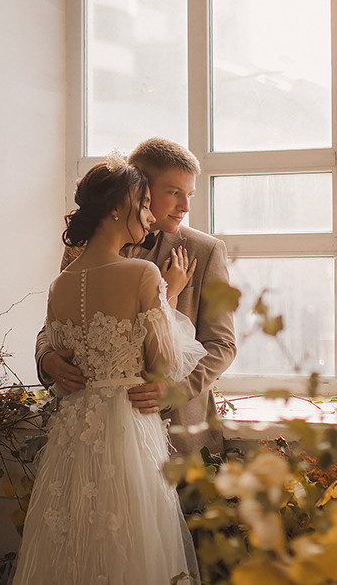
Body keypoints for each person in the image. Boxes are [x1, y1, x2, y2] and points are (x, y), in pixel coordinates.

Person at [12, 156, 202, 584]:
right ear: (119, 207)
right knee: (131, 549)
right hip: (128, 429)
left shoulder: (61, 284)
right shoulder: (144, 273)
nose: (152, 216)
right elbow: (164, 365)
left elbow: (64, 337)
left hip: (72, 436)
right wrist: (168, 295)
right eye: (146, 204)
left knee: (74, 545)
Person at [37, 137, 237, 457]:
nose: (185, 206)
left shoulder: (206, 251)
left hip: (182, 438)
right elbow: (56, 322)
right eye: (174, 193)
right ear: (139, 187)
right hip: (97, 440)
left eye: (190, 194)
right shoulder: (82, 247)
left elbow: (223, 345)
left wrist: (177, 390)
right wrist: (46, 360)